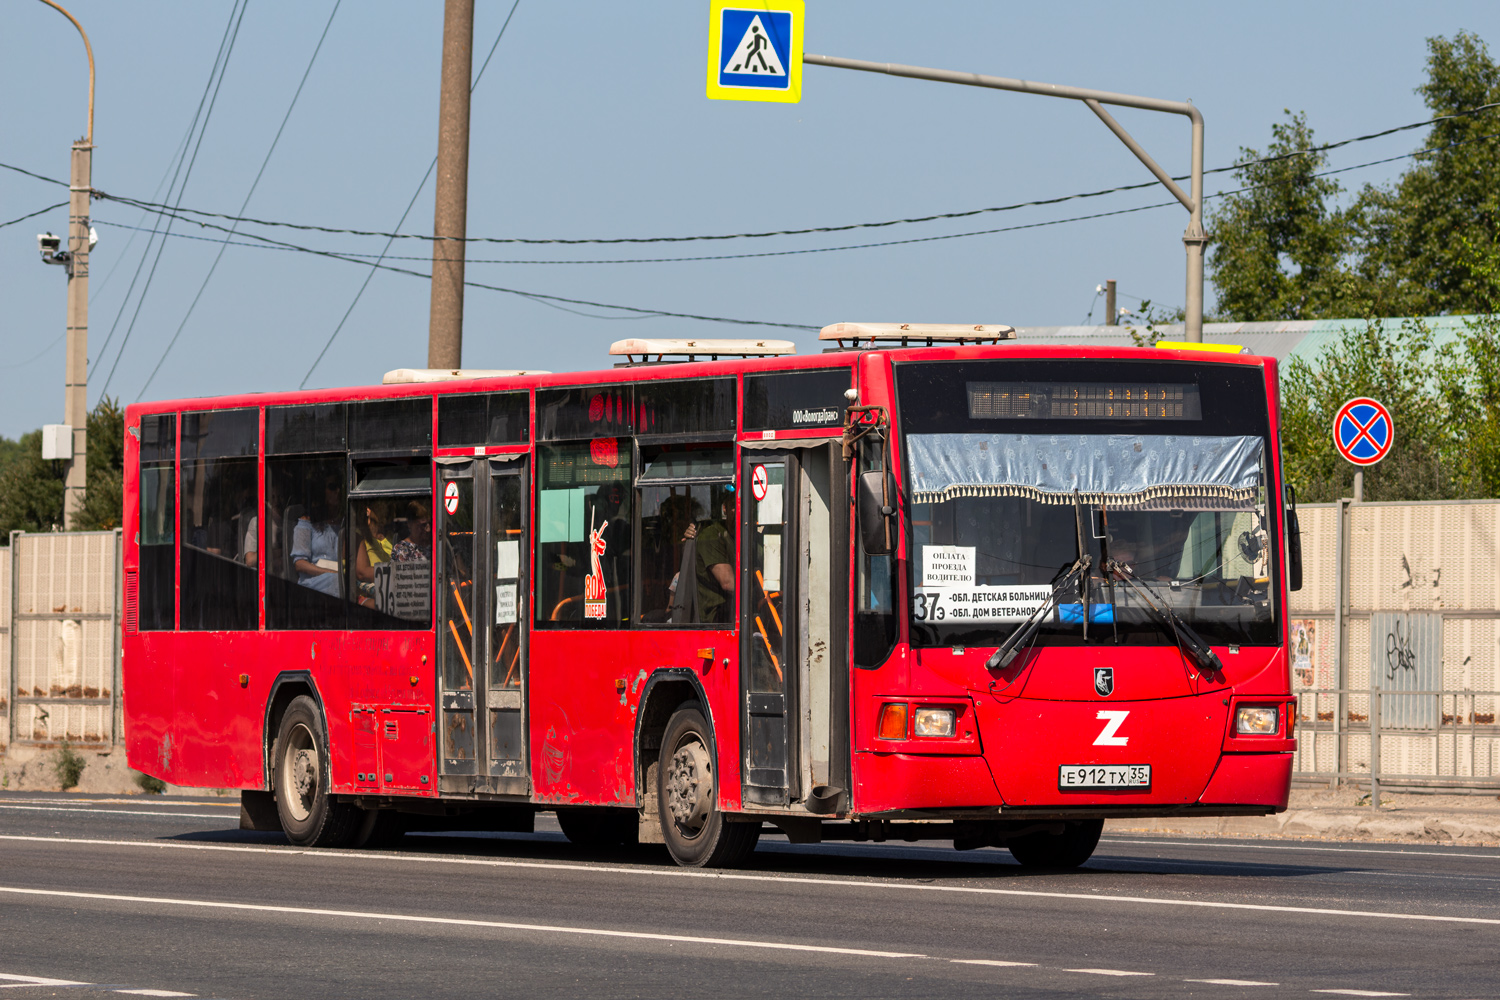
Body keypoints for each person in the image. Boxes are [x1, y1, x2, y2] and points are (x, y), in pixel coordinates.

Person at [683, 485, 735, 623]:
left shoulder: (748, 537)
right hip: (717, 619)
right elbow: (728, 582)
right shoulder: (712, 536)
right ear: (725, 508)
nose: (739, 510)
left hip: (736, 611)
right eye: (734, 505)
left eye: (747, 505)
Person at [292, 474, 343, 597]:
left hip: (341, 579)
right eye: (332, 487)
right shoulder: (307, 522)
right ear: (322, 492)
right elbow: (299, 563)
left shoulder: (345, 523)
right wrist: (331, 573)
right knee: (337, 581)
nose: (338, 491)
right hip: (314, 582)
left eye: (340, 487)